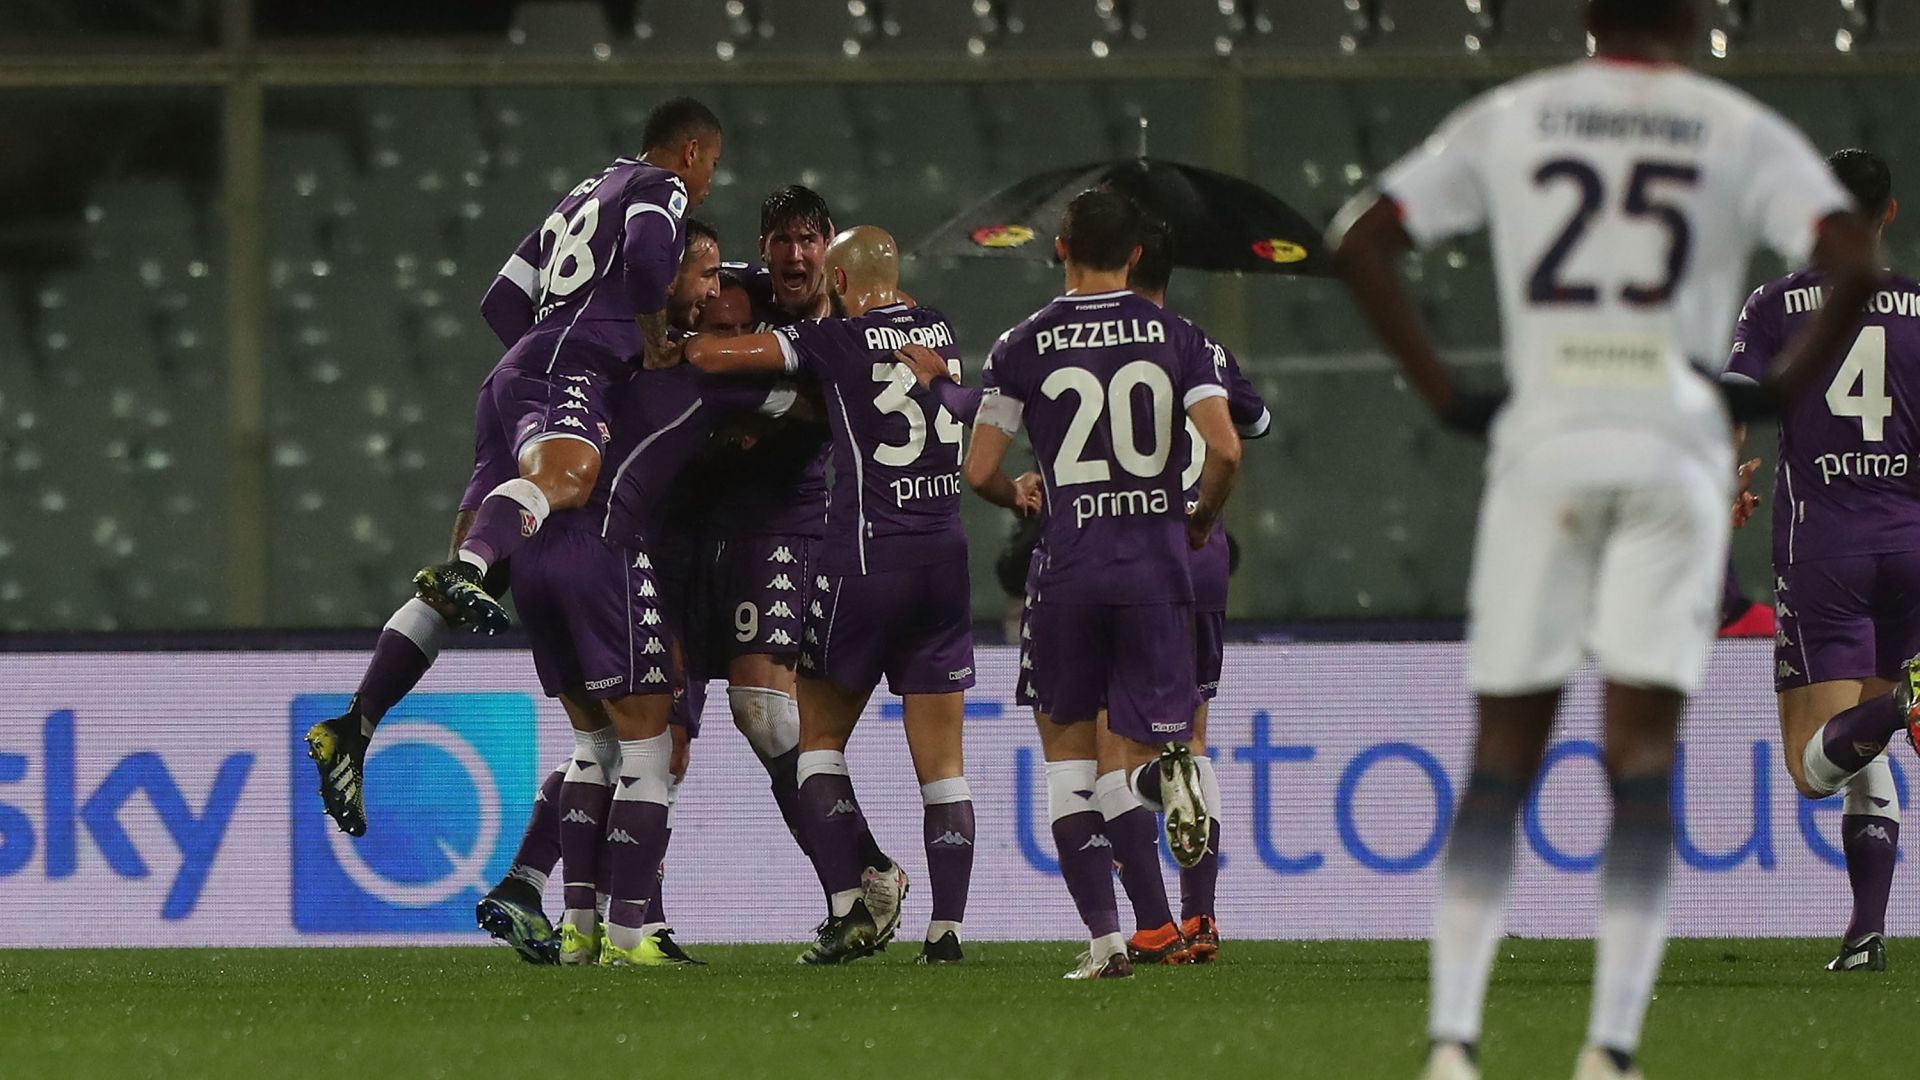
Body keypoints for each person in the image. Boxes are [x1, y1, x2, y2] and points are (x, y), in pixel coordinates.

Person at [1329, 2, 1879, 1077]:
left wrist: (1448, 396)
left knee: (1501, 758)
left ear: (1588, 17)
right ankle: (1611, 1050)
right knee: (1641, 761)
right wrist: (1771, 392)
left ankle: (1451, 1043)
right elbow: (1853, 256)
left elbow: (1361, 238)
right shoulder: (1731, 123)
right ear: (1691, 17)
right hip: (1672, 448)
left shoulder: (1517, 113)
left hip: (1548, 438)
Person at [305, 97, 723, 835]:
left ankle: (357, 723)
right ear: (691, 152)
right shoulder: (660, 189)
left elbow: (501, 298)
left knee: (477, 567)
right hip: (570, 360)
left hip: (513, 372)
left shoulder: (581, 193)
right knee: (569, 480)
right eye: (713, 165)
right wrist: (643, 339)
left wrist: (530, 361)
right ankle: (467, 564)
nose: (709, 181)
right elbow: (654, 260)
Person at [964, 188, 1243, 980]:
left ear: (1061, 248)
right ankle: (1171, 785)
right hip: (1156, 573)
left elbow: (980, 468)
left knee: (1071, 766)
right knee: (1160, 739)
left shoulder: (1023, 343)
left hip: (1070, 572)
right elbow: (1225, 450)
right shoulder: (1178, 338)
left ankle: (1120, 937)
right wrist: (1198, 518)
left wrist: (1016, 493)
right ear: (1134, 257)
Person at [681, 226, 977, 965]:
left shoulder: (836, 341)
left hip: (869, 562)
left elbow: (718, 354)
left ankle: (862, 891)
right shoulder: (940, 327)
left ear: (838, 282)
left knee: (815, 743)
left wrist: (683, 337)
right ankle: (945, 935)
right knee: (943, 766)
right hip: (946, 563)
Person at [1726, 148, 1920, 974]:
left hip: (1824, 550)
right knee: (1860, 746)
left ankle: (1908, 700)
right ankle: (1865, 935)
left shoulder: (1775, 304)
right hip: (1911, 544)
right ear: (1891, 214)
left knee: (1813, 767)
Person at [1123, 217, 1270, 964]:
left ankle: (1148, 924)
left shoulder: (1093, 340)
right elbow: (1253, 423)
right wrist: (1205, 516)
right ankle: (1201, 917)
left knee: (1115, 750)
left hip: (1126, 550)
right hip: (1200, 548)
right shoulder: (1201, 344)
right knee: (1195, 735)